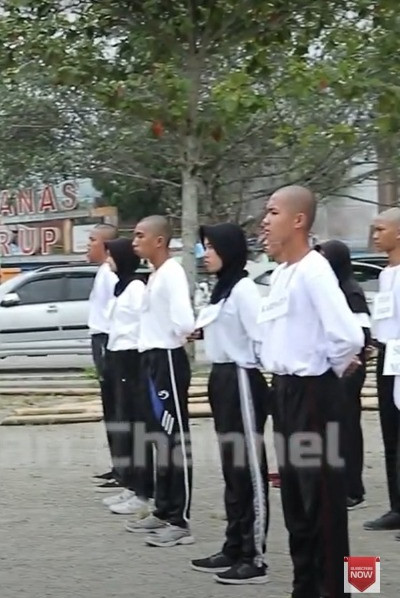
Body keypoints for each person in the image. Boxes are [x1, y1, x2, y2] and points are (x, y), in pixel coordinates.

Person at [257, 185, 362, 598]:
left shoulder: (316, 269)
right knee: (298, 504)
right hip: (285, 392)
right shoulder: (283, 273)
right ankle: (306, 586)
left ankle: (348, 589)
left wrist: (326, 375)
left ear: (298, 220)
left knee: (327, 506)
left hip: (314, 394)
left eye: (273, 211)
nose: (265, 220)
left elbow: (349, 335)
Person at [188, 223, 271, 585]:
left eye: (211, 247)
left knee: (247, 469)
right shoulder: (222, 290)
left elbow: (262, 338)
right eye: (203, 247)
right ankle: (234, 545)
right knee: (230, 469)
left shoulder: (243, 289)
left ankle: (254, 557)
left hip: (241, 378)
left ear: (230, 249)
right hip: (221, 378)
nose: (205, 253)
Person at [124, 215, 196, 547]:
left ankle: (179, 519)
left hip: (167, 358)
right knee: (158, 437)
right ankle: (164, 509)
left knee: (173, 438)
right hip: (151, 359)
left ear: (159, 241)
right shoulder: (155, 275)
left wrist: (183, 333)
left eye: (140, 235)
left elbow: (184, 320)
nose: (134, 241)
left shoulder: (173, 273)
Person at [97, 238, 151, 516]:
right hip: (117, 357)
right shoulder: (122, 288)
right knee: (122, 423)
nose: (108, 261)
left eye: (112, 256)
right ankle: (131, 484)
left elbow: (143, 325)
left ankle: (144, 490)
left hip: (132, 359)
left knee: (134, 425)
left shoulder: (137, 288)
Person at [318, 239, 371, 511]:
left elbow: (362, 334)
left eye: (325, 256)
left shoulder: (351, 291)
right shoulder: (333, 290)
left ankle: (353, 488)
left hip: (350, 370)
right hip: (334, 369)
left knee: (348, 427)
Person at [366, 207, 400, 533]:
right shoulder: (385, 274)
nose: (375, 236)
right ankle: (396, 505)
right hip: (388, 355)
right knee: (390, 431)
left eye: (380, 230)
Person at [84, 223, 120, 488]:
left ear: (106, 245)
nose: (88, 244)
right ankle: (117, 464)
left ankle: (124, 467)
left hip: (107, 339)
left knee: (116, 405)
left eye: (92, 240)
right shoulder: (102, 272)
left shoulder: (110, 274)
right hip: (100, 339)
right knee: (109, 406)